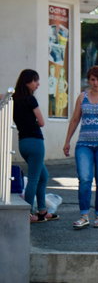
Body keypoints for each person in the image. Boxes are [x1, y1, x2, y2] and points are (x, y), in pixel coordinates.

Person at [63, 66, 98, 229]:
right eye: (92, 79)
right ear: (88, 81)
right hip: (84, 145)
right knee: (84, 179)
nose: (96, 83)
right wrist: (67, 141)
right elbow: (74, 120)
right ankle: (84, 215)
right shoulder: (82, 97)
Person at [13, 69, 59, 223]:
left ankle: (43, 211)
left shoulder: (14, 99)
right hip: (35, 141)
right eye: (35, 80)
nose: (38, 84)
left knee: (43, 176)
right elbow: (41, 122)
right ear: (27, 82)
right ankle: (27, 214)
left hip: (23, 143)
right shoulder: (31, 100)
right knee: (33, 179)